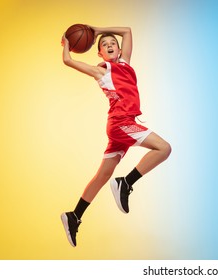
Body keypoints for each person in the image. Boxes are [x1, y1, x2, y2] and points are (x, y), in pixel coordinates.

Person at [60, 26, 171, 247]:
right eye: (104, 44)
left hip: (121, 126)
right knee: (164, 148)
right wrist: (65, 44)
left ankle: (74, 215)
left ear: (119, 50)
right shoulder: (102, 70)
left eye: (113, 43)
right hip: (122, 123)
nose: (109, 45)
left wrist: (96, 30)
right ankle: (125, 182)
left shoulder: (125, 64)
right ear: (99, 53)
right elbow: (68, 61)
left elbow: (128, 31)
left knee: (102, 176)